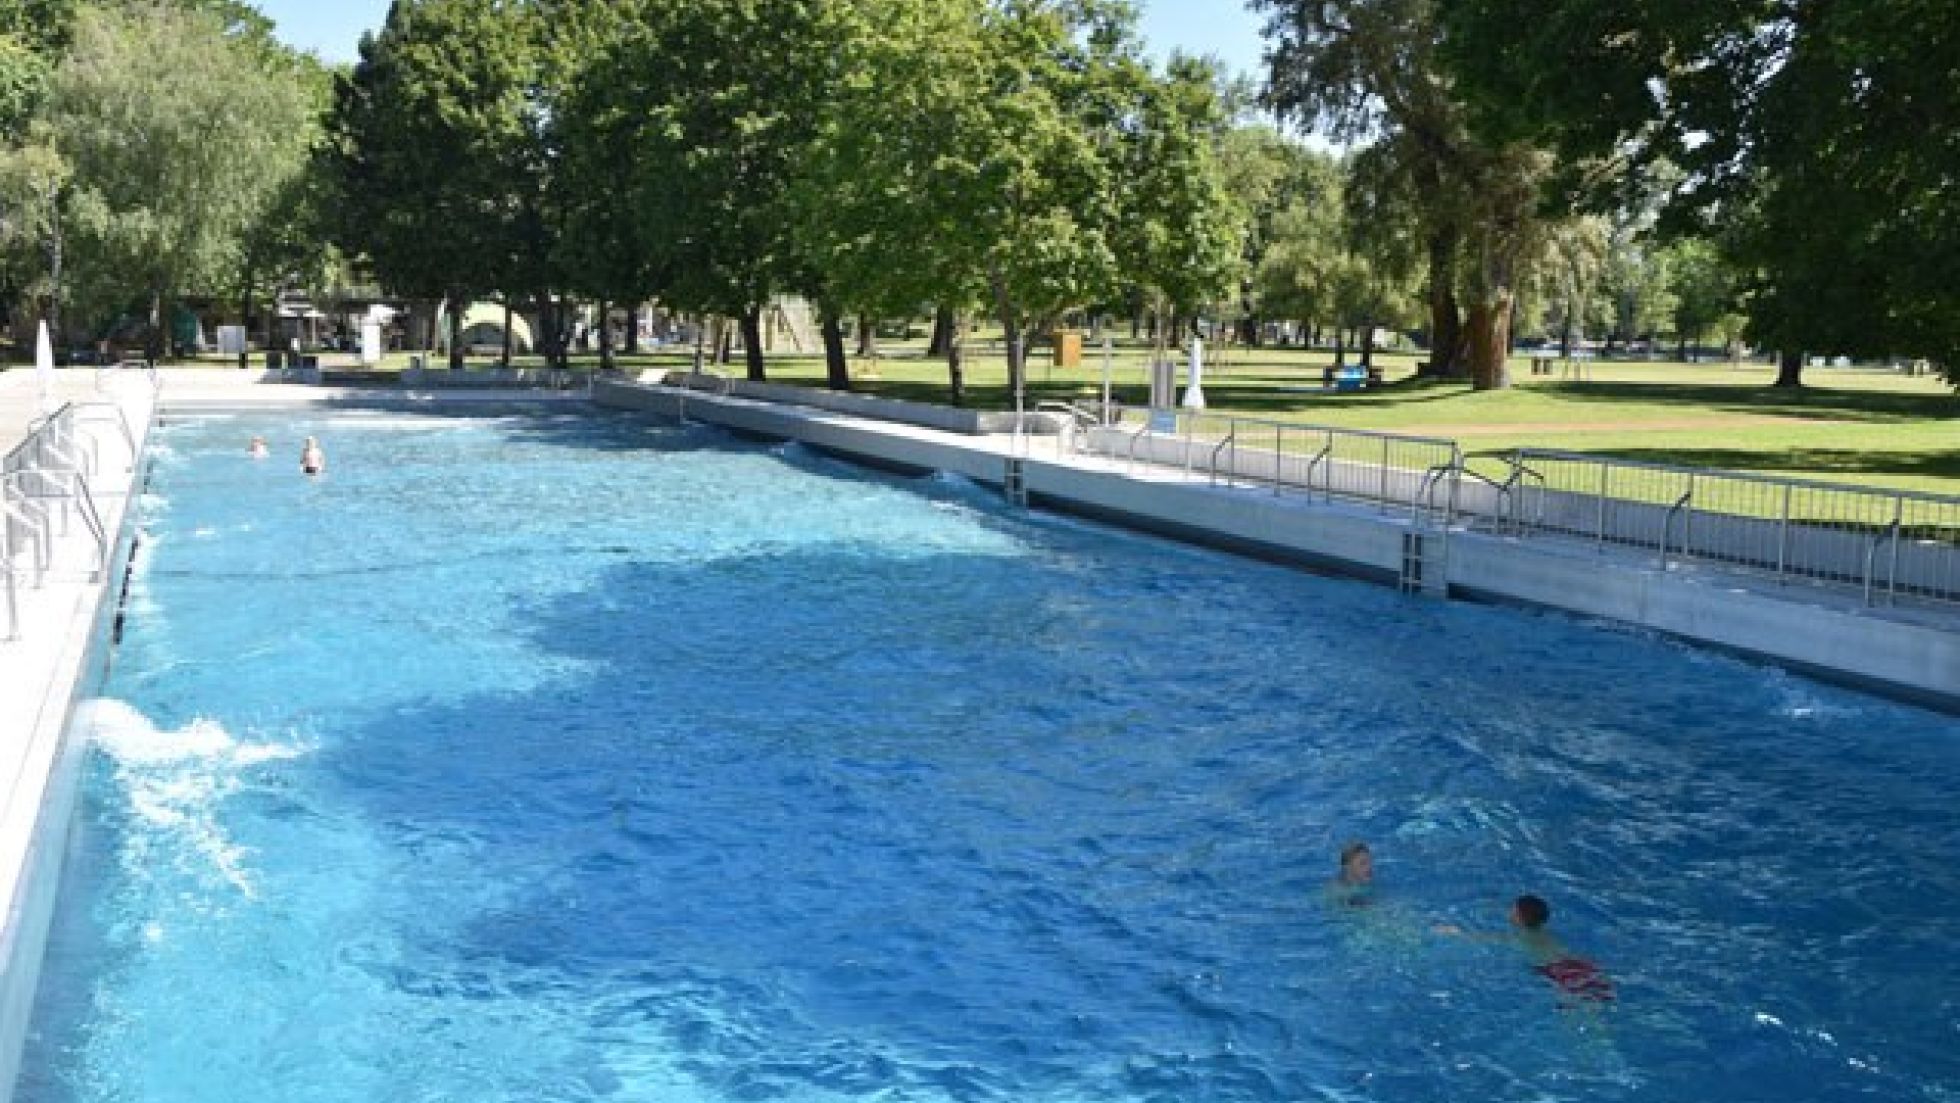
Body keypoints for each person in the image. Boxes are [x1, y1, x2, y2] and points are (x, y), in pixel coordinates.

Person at [1439, 894, 1615, 1004]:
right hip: (1581, 965)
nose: (1509, 913)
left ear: (1519, 917)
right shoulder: (1545, 933)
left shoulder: (1521, 938)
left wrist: (1456, 932)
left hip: (1561, 974)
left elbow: (1485, 939)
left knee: (1580, 1025)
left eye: (1513, 910)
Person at [1327, 840, 1376, 907]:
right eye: (1362, 863)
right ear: (1347, 867)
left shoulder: (1360, 886)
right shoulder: (1341, 892)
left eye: (1370, 862)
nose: (1369, 867)